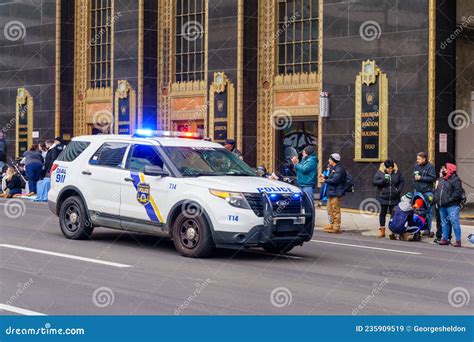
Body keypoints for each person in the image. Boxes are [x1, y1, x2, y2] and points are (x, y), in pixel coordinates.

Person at [372, 159, 405, 238]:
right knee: (382, 213)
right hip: (383, 196)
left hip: (394, 197)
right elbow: (374, 182)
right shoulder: (380, 172)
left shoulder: (397, 173)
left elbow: (402, 181)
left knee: (393, 215)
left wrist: (398, 190)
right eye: (388, 169)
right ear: (385, 168)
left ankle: (392, 231)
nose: (390, 170)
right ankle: (382, 230)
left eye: (391, 168)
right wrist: (383, 180)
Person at [434, 163, 464, 247]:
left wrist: (449, 200)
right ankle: (445, 239)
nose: (442, 170)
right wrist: (436, 200)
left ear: (449, 170)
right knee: (444, 222)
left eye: (444, 169)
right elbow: (437, 191)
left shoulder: (456, 179)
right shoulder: (441, 179)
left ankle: (458, 240)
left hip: (452, 205)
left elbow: (457, 192)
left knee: (454, 222)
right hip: (442, 205)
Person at [319, 153, 346, 234]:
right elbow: (332, 178)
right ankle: (332, 224)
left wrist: (325, 180)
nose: (328, 160)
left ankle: (336, 226)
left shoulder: (339, 169)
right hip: (331, 192)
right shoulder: (334, 168)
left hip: (336, 192)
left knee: (335, 209)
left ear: (333, 161)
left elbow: (335, 180)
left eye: (330, 159)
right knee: (330, 209)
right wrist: (325, 177)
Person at [413, 152, 436, 234]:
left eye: (419, 159)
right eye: (417, 158)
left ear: (424, 159)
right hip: (417, 192)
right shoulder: (416, 166)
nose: (417, 160)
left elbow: (433, 178)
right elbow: (414, 177)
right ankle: (418, 228)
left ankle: (427, 229)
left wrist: (421, 178)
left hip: (427, 192)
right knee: (417, 210)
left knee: (428, 211)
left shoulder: (430, 167)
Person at [434, 165, 452, 244]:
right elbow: (436, 191)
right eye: (440, 171)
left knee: (447, 221)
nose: (440, 173)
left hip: (447, 204)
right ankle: (438, 236)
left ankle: (448, 237)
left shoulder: (450, 180)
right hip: (439, 203)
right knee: (439, 220)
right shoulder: (438, 180)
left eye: (441, 171)